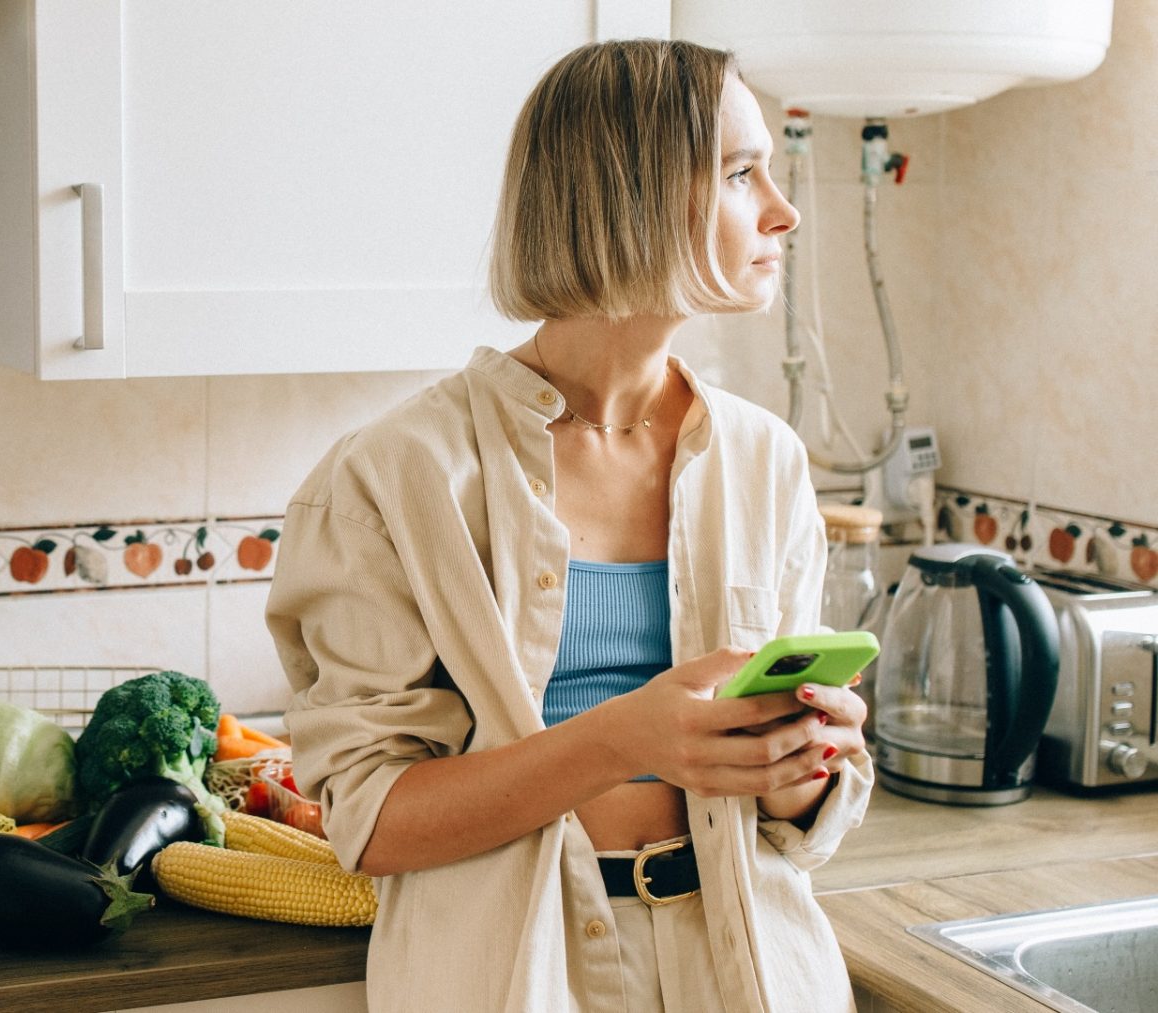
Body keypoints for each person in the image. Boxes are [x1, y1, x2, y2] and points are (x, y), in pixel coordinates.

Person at [265, 39, 872, 1012]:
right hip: (506, 973)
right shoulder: (395, 475)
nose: (782, 209)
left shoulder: (767, 459)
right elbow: (370, 818)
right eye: (739, 172)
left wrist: (803, 767)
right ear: (629, 195)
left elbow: (796, 820)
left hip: (752, 971)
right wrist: (622, 736)